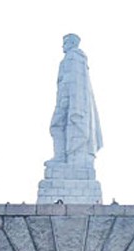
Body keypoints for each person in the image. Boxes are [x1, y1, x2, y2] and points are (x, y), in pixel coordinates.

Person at [47, 33, 103, 167]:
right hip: (64, 99)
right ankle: (61, 156)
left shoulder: (73, 57)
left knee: (56, 126)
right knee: (57, 126)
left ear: (72, 43)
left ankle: (62, 157)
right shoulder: (73, 58)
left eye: (65, 43)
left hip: (67, 101)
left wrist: (67, 101)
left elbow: (73, 82)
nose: (63, 46)